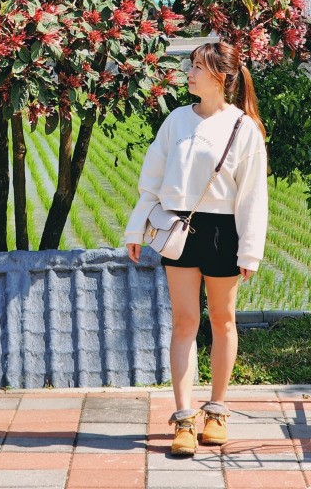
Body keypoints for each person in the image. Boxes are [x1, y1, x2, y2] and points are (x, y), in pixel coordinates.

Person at [125, 41, 268, 456]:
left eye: (198, 68)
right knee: (185, 322)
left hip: (224, 231)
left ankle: (217, 411)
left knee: (223, 321)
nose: (189, 74)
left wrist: (249, 252)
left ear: (221, 77)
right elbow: (150, 181)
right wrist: (137, 230)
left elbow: (253, 196)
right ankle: (184, 418)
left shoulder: (243, 128)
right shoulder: (175, 121)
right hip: (178, 228)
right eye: (190, 66)